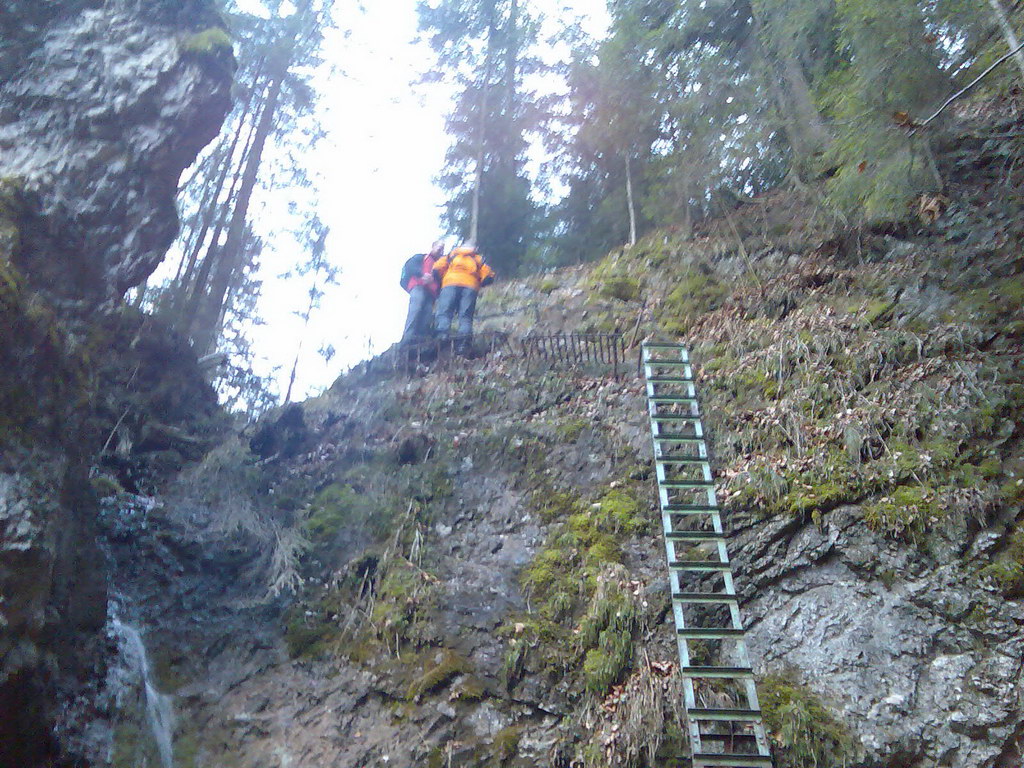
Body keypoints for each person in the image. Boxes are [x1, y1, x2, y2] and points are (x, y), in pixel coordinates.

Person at [432, 241, 495, 354]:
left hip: (450, 284)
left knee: (445, 313)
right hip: (470, 287)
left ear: (461, 246)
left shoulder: (452, 254)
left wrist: (442, 279)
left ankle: (442, 337)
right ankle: (463, 344)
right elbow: (488, 276)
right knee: (465, 316)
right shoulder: (478, 258)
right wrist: (480, 282)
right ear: (475, 248)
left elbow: (437, 268)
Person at [399, 240, 444, 344]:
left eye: (442, 249)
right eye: (439, 247)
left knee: (427, 314)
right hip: (418, 286)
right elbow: (410, 266)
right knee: (415, 310)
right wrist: (422, 275)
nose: (440, 250)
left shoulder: (440, 264)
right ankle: (408, 337)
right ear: (433, 246)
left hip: (431, 293)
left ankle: (420, 339)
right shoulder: (420, 257)